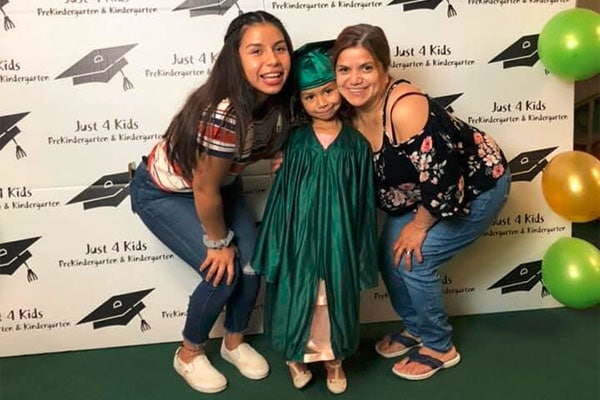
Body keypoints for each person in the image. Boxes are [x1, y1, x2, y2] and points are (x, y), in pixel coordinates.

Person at [330, 24, 511, 381]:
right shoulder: (347, 109)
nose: (354, 79)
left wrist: (418, 227)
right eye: (344, 69)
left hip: (476, 186)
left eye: (366, 68)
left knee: (414, 259)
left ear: (384, 69)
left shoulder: (404, 108)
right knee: (389, 253)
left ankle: (439, 346)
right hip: (420, 194)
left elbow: (443, 181)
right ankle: (415, 328)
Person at [129, 11, 294, 394]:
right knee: (224, 273)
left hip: (221, 185)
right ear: (234, 59)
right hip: (164, 192)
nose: (272, 60)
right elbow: (204, 190)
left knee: (254, 263)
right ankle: (189, 353)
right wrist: (218, 244)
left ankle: (234, 342)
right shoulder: (223, 114)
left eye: (280, 48)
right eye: (256, 51)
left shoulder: (277, 101)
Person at [252, 41, 379, 394]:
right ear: (300, 102)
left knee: (332, 299)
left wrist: (361, 250)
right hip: (300, 240)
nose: (323, 102)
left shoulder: (356, 145)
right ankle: (296, 356)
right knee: (300, 297)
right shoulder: (293, 144)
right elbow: (281, 202)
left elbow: (364, 204)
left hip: (339, 237)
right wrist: (276, 246)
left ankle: (334, 359)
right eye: (311, 96)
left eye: (328, 91)